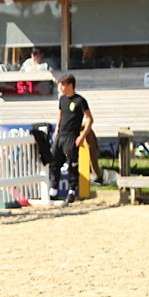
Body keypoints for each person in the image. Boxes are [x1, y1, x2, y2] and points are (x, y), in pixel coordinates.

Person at [49, 74, 93, 204]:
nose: (61, 88)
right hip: (60, 135)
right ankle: (54, 190)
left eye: (63, 85)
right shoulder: (62, 99)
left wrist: (82, 136)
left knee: (72, 164)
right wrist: (57, 128)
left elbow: (90, 119)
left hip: (71, 136)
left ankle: (72, 191)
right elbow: (60, 114)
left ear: (70, 85)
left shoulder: (80, 101)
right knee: (54, 162)